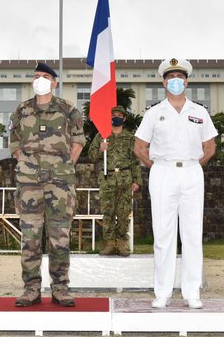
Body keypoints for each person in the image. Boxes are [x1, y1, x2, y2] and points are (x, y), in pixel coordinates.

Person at [134, 57, 217, 309]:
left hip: (192, 171)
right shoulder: (154, 112)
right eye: (171, 78)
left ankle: (192, 292)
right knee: (163, 234)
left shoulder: (199, 112)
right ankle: (163, 292)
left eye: (179, 77)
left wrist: (193, 167)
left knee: (192, 234)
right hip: (163, 172)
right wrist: (157, 167)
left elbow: (210, 147)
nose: (175, 82)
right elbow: (139, 147)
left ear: (187, 81)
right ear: (163, 82)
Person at [9, 62, 85, 307]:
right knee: (29, 238)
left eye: (45, 76)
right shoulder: (21, 111)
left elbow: (78, 141)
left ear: (55, 82)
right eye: (36, 76)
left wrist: (66, 167)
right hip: (29, 184)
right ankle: (31, 288)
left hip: (60, 185)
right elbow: (14, 143)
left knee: (59, 238)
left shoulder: (68, 110)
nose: (40, 80)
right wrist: (24, 162)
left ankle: (60, 288)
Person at [88, 106, 141, 256]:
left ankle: (122, 244)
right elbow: (91, 156)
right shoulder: (102, 136)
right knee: (108, 213)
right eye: (113, 115)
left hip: (125, 178)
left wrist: (137, 180)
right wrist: (100, 149)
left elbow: (135, 161)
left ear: (124, 118)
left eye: (119, 115)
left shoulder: (130, 138)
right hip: (107, 178)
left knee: (124, 213)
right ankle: (110, 244)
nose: (116, 117)